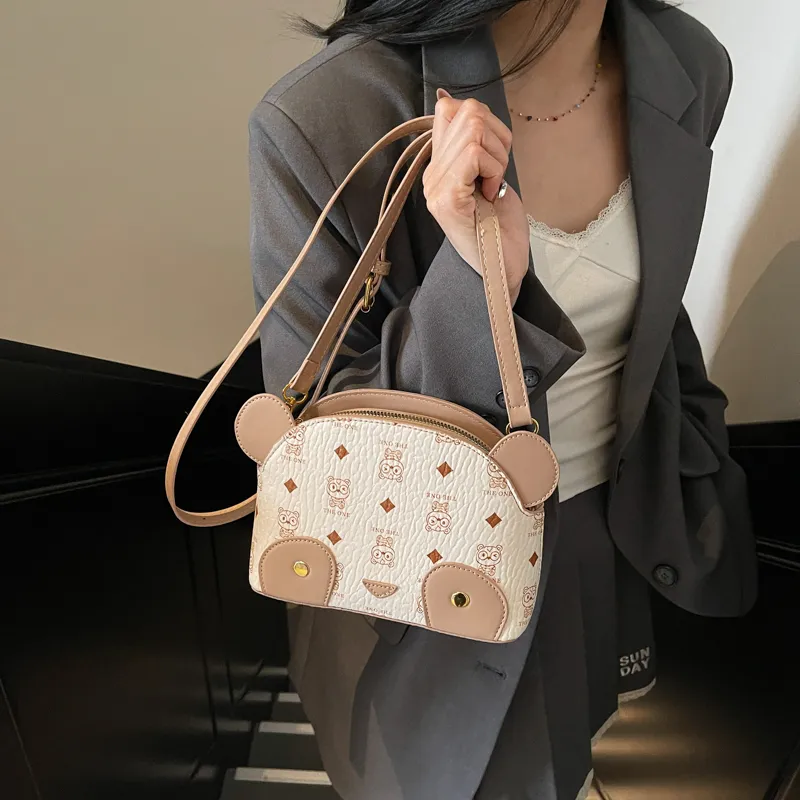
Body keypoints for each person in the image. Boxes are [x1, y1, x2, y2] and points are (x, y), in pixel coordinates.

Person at [248, 0, 758, 797]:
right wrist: (473, 278)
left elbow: (656, 307)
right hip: (425, 582)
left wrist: (701, 443)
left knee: (589, 759)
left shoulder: (689, 64)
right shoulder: (326, 114)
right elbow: (317, 435)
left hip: (619, 535)